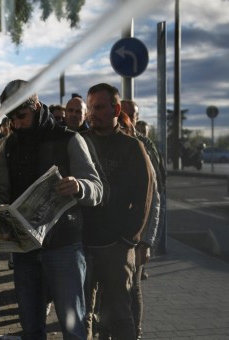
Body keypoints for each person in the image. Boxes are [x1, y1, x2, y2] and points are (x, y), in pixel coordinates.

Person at [0, 79, 104, 339]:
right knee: (31, 328)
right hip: (25, 249)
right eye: (11, 118)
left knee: (73, 328)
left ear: (36, 106)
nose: (17, 123)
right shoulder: (8, 146)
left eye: (22, 116)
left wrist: (79, 186)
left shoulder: (69, 139)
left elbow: (96, 188)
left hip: (64, 246)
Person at [81, 83, 153, 340]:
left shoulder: (132, 147)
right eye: (90, 108)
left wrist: (128, 239)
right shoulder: (82, 143)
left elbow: (145, 196)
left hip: (116, 247)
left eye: (99, 107)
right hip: (85, 245)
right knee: (83, 315)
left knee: (121, 314)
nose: (92, 113)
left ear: (116, 108)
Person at [120, 101, 165, 339]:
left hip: (138, 233)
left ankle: (135, 332)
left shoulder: (143, 146)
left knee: (134, 285)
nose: (125, 118)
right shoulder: (112, 142)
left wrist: (147, 240)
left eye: (130, 115)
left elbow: (154, 197)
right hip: (117, 234)